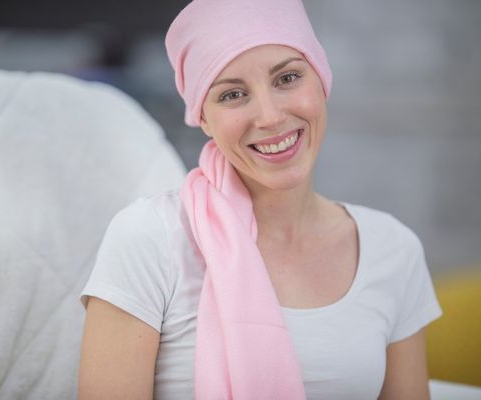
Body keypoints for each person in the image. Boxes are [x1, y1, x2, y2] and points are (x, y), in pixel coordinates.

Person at [78, 0, 442, 399]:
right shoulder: (150, 238)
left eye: (287, 78)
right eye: (232, 94)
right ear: (203, 117)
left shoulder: (392, 248)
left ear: (321, 79)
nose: (269, 116)